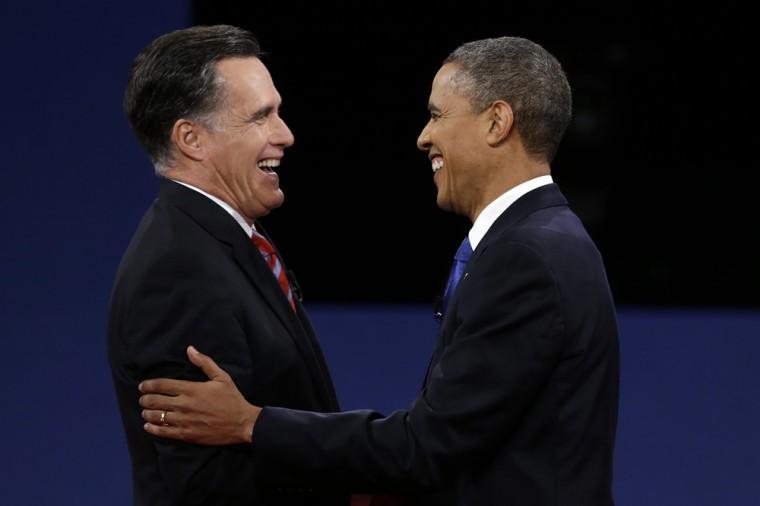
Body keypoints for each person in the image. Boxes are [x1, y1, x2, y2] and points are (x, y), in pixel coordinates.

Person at [138, 36, 620, 505]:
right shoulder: (543, 238)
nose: (423, 136)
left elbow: (427, 446)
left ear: (497, 122)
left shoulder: (526, 256)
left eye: (436, 115)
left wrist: (251, 423)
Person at [107, 25, 347, 506]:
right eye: (260, 117)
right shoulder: (177, 269)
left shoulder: (220, 242)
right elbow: (209, 485)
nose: (286, 134)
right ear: (191, 138)